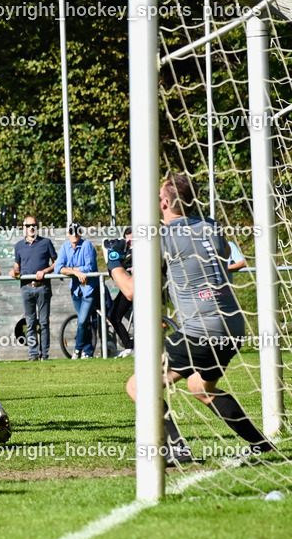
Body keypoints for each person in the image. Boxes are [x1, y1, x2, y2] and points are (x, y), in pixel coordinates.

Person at [118, 174, 275, 463]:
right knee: (199, 386)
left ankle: (177, 449)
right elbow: (225, 252)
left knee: (138, 385)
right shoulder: (211, 226)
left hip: (201, 329)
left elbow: (131, 291)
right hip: (234, 326)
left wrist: (115, 261)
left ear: (164, 202)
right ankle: (261, 444)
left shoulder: (162, 238)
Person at [9, 216, 57, 361]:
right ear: (24, 227)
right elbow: (17, 265)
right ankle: (33, 354)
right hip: (26, 287)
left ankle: (45, 355)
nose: (31, 227)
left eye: (34, 225)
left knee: (43, 322)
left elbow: (57, 263)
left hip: (42, 287)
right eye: (28, 225)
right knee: (29, 323)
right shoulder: (19, 246)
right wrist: (14, 271)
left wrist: (45, 271)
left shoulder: (46, 243)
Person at [55, 223, 100, 359]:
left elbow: (89, 267)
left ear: (80, 233)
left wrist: (72, 269)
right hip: (75, 290)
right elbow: (58, 268)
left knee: (81, 321)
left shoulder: (87, 246)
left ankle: (77, 349)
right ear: (68, 234)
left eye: (77, 231)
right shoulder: (65, 247)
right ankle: (88, 351)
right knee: (84, 321)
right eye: (71, 231)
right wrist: (75, 271)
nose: (74, 234)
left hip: (89, 289)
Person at [104, 228, 134, 357]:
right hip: (129, 287)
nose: (131, 243)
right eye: (129, 241)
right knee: (114, 316)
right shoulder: (122, 251)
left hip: (140, 288)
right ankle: (129, 346)